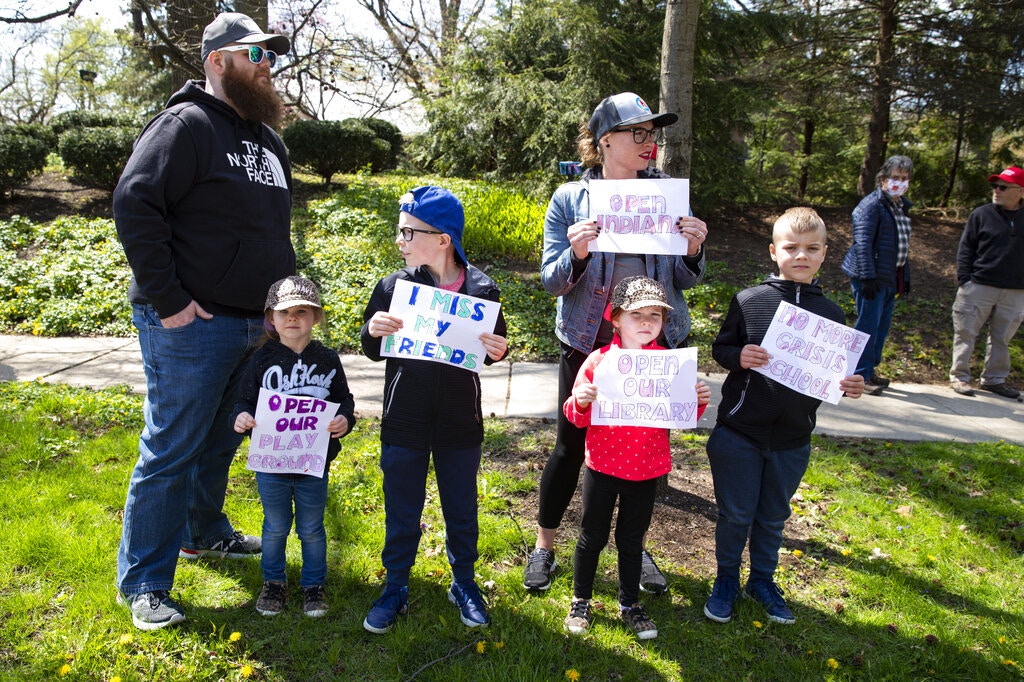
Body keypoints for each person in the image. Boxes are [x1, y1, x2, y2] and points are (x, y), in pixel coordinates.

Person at [112, 12, 294, 630]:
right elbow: (135, 204)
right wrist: (169, 302)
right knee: (171, 448)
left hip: (251, 324)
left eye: (272, 56)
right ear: (218, 61)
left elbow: (272, 235)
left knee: (221, 440)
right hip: (192, 324)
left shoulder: (270, 143)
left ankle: (203, 532)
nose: (268, 67)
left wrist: (276, 309)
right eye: (257, 55)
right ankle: (143, 582)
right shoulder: (184, 125)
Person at [527, 92, 709, 593]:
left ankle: (635, 544)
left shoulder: (668, 196)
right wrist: (577, 254)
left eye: (654, 134)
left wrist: (694, 250)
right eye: (639, 133)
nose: (651, 143)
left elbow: (686, 280)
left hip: (652, 343)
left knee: (645, 446)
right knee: (571, 444)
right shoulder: (570, 199)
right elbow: (551, 280)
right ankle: (545, 546)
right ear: (606, 140)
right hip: (588, 340)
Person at [703, 207, 865, 626]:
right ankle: (725, 580)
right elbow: (722, 349)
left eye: (811, 249)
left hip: (793, 438)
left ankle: (762, 580)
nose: (801, 256)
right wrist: (738, 356)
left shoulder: (833, 316)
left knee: (774, 516)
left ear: (825, 254)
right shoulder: (749, 300)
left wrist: (850, 385)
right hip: (739, 433)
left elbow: (834, 376)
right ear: (774, 251)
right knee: (736, 515)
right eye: (791, 247)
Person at [359, 186, 509, 634]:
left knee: (461, 507)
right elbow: (371, 349)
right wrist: (373, 329)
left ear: (443, 238)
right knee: (401, 506)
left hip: (459, 421)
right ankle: (396, 586)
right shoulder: (393, 286)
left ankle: (463, 582)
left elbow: (488, 351)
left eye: (409, 231)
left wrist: (498, 351)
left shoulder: (483, 289)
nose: (400, 240)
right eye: (400, 231)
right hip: (404, 418)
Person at [561, 276, 711, 641]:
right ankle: (581, 599)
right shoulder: (599, 361)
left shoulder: (670, 365)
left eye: (655, 316)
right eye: (637, 314)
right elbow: (572, 413)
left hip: (646, 468)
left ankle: (629, 603)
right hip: (603, 465)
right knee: (591, 536)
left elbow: (683, 417)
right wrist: (581, 400)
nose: (647, 322)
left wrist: (699, 399)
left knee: (632, 539)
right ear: (615, 319)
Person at [231, 276, 356, 618]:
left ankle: (313, 586)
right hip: (272, 465)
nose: (292, 318)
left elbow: (343, 399)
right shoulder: (260, 360)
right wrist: (241, 418)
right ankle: (273, 584)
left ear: (315, 317)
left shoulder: (328, 360)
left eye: (302, 311)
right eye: (284, 312)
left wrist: (345, 419)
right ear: (271, 319)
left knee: (312, 528)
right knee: (275, 526)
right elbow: (243, 402)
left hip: (312, 464)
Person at [841, 155, 914, 396]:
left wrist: (905, 275)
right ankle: (859, 373)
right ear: (882, 179)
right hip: (870, 277)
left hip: (889, 276)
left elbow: (899, 244)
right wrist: (867, 277)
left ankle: (869, 370)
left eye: (904, 179)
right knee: (867, 327)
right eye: (895, 178)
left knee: (881, 326)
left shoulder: (900, 205)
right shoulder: (871, 206)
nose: (900, 183)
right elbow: (862, 244)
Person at [949, 166, 1024, 399]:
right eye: (995, 186)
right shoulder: (981, 214)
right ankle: (959, 377)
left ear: (1020, 191)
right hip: (978, 286)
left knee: (1002, 337)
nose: (996, 191)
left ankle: (994, 380)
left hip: (1016, 290)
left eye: (1003, 187)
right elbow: (966, 249)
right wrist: (965, 281)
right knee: (965, 332)